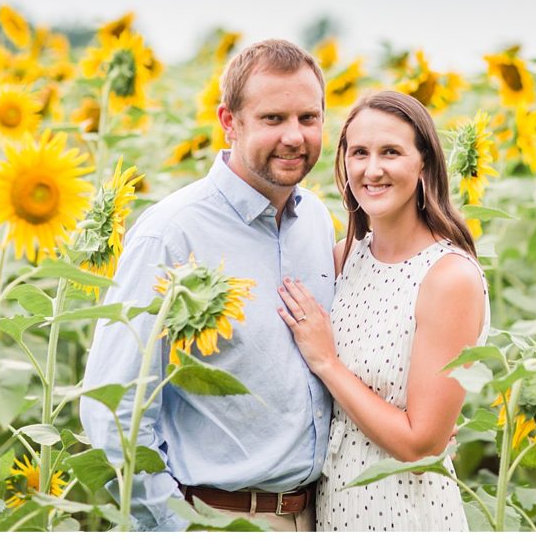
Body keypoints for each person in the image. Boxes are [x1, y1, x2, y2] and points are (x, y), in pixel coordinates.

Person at [81, 39, 335, 531]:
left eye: (308, 118)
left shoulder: (318, 223)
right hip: (214, 516)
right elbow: (112, 406)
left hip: (314, 515)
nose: (294, 136)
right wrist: (171, 524)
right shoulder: (172, 233)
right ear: (229, 122)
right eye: (272, 118)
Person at [276, 90, 490, 531]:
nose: (371, 170)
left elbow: (420, 446)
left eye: (390, 152)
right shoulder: (342, 259)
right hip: (335, 509)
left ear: (424, 164)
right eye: (359, 153)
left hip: (406, 514)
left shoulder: (449, 277)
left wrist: (327, 363)